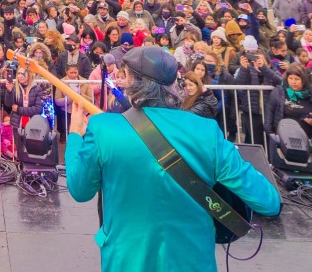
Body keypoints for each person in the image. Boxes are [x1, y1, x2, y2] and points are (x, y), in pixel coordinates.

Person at [65, 46, 281, 272]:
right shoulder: (207, 131)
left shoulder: (103, 128)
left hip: (126, 260)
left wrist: (74, 135)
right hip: (193, 263)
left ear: (130, 80)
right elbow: (268, 202)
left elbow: (80, 190)